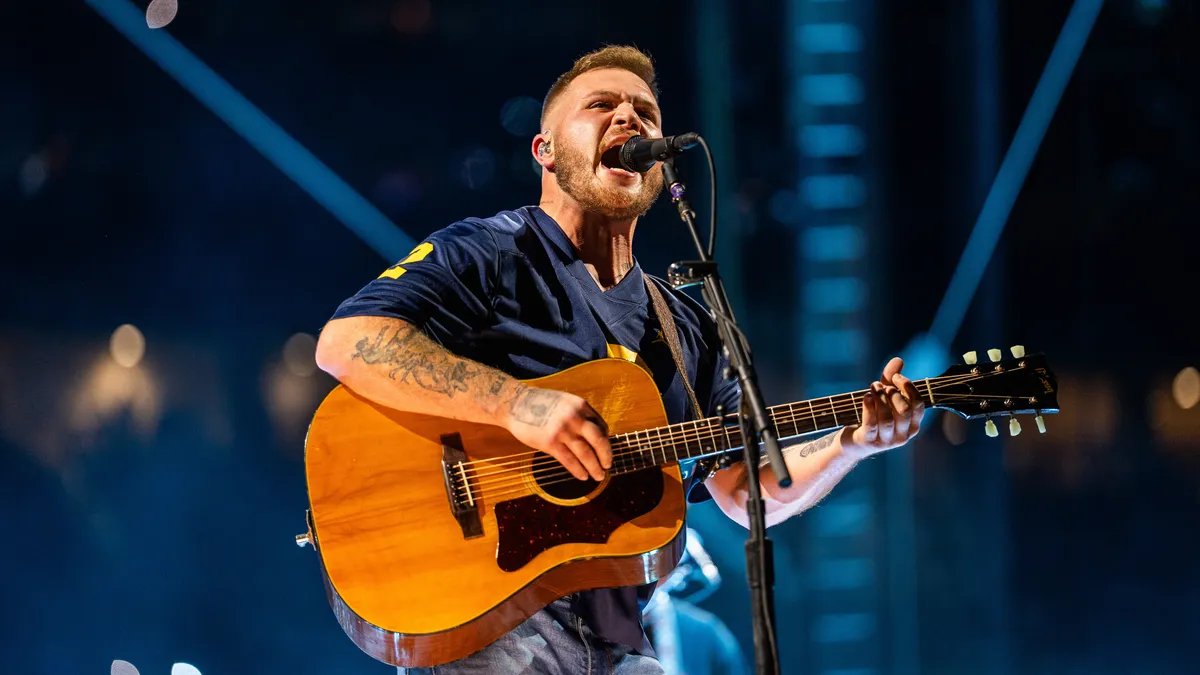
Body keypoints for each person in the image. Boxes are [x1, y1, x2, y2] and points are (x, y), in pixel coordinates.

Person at [314, 45, 924, 675]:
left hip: (618, 650)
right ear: (544, 151)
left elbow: (747, 492)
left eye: (646, 112)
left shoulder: (690, 326)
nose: (630, 120)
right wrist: (515, 403)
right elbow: (348, 340)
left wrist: (852, 445)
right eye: (602, 105)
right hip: (485, 628)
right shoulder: (490, 252)